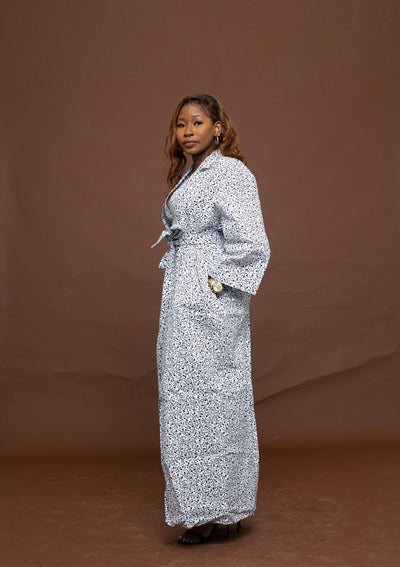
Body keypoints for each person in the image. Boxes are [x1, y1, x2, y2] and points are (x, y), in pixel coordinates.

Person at [152, 94, 270, 545]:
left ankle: (218, 508)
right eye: (181, 123)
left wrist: (217, 286)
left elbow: (253, 242)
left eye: (197, 122)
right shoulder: (191, 175)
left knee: (216, 399)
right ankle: (201, 505)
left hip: (210, 301)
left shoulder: (231, 173)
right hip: (180, 299)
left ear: (218, 128)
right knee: (183, 400)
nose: (187, 130)